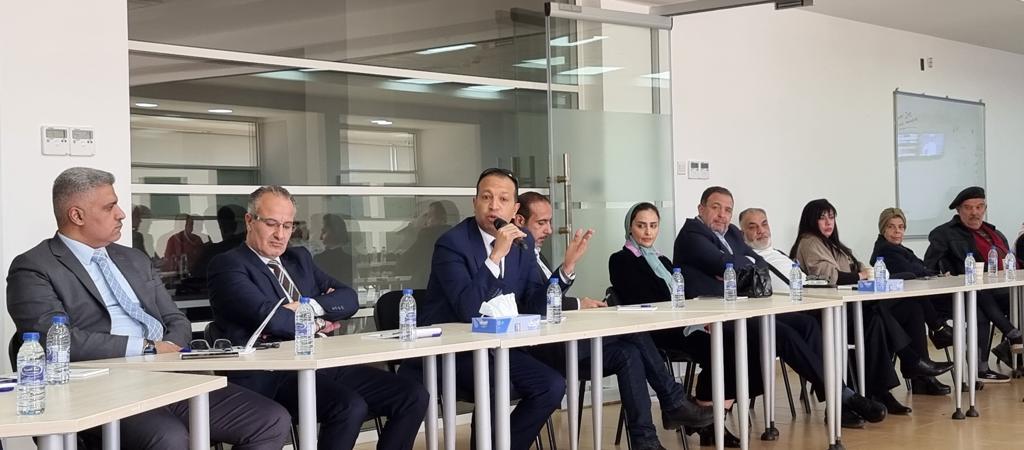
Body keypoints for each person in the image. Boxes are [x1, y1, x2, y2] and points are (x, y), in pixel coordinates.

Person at [6, 167, 291, 450]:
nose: (121, 214)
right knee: (169, 438)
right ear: (77, 215)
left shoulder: (133, 259)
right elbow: (52, 339)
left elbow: (176, 319)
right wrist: (147, 348)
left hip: (167, 377)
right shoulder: (34, 267)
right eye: (109, 207)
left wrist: (167, 350)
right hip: (100, 389)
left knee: (271, 420)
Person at [207, 185, 429, 450]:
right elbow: (272, 319)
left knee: (412, 395)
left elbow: (349, 299)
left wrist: (308, 307)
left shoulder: (298, 259)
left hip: (322, 363)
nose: (280, 235)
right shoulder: (228, 265)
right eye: (271, 224)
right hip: (273, 375)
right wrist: (320, 320)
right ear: (249, 221)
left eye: (287, 226)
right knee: (349, 406)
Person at [514, 192, 713, 450]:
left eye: (550, 222)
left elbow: (544, 298)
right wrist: (570, 281)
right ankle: (673, 401)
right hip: (543, 347)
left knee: (629, 352)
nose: (550, 230)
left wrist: (575, 298)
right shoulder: (518, 256)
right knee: (632, 330)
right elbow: (531, 306)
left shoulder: (534, 255)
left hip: (562, 335)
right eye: (541, 223)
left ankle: (646, 442)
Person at [675, 190, 882, 429]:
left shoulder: (730, 232)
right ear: (701, 208)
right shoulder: (692, 233)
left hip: (742, 307)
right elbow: (726, 264)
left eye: (728, 209)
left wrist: (736, 268)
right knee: (781, 334)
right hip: (711, 313)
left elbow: (759, 263)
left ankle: (839, 397)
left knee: (807, 324)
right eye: (715, 207)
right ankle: (844, 396)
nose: (722, 215)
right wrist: (735, 266)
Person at [401, 168, 565, 450]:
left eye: (503, 199)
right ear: (474, 202)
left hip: (497, 348)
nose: (493, 206)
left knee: (552, 385)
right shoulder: (452, 244)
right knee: (494, 383)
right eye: (486, 197)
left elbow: (532, 305)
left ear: (514, 209)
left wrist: (564, 273)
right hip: (451, 351)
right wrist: (495, 256)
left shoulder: (522, 240)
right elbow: (468, 310)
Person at [791, 199, 952, 411]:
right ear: (811, 221)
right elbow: (831, 276)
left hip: (851, 308)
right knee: (877, 314)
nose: (828, 222)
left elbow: (858, 267)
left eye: (831, 217)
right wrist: (861, 275)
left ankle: (898, 379)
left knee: (908, 309)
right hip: (830, 314)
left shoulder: (833, 244)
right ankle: (908, 366)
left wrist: (862, 273)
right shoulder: (810, 242)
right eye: (822, 218)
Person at [923, 186, 1023, 381]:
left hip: (998, 290)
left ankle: (1012, 349)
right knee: (979, 307)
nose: (974, 212)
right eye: (968, 208)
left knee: (1021, 300)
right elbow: (928, 267)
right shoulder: (944, 233)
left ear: (985, 208)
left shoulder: (995, 233)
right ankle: (1007, 342)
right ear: (958, 210)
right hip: (964, 295)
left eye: (979, 207)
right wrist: (944, 275)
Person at [314, 213, 355, 286]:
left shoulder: (319, 259)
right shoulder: (350, 260)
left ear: (335, 232)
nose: (320, 237)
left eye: (324, 231)